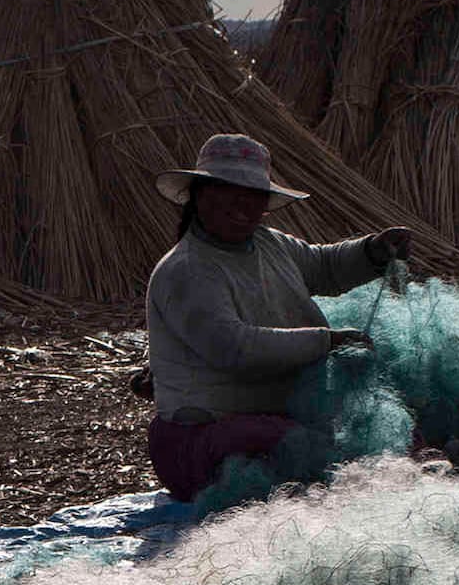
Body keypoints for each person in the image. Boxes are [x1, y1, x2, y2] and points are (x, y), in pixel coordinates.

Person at [141, 133, 413, 503]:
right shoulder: (187, 270)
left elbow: (323, 266)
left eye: (254, 195)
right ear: (199, 194)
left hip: (268, 425)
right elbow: (233, 348)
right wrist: (327, 341)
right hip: (200, 444)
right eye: (227, 190)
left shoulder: (270, 245)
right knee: (306, 448)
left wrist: (372, 252)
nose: (242, 205)